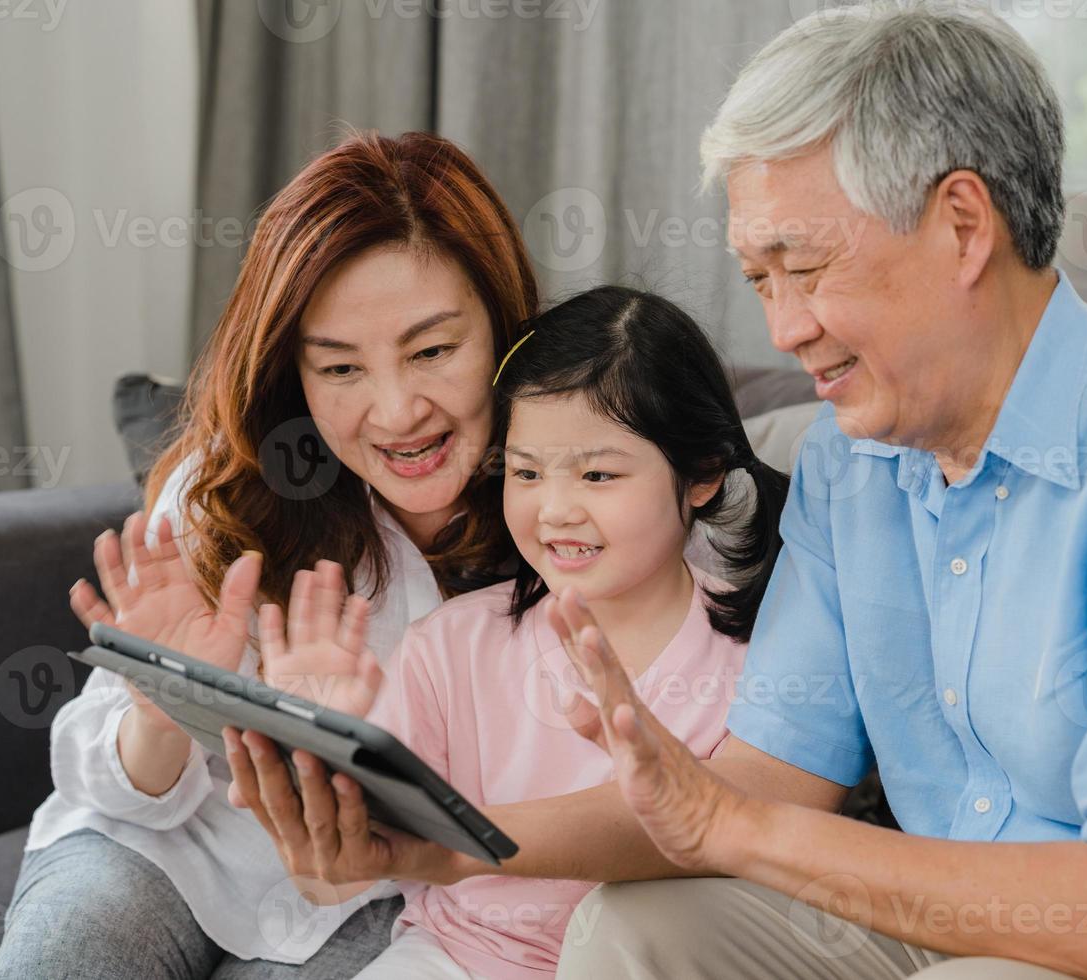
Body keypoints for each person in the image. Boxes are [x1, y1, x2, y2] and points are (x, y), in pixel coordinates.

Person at [225, 5, 1087, 979]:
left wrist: (733, 822)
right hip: (944, 931)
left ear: (963, 224)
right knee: (638, 925)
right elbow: (754, 788)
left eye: (805, 268)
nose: (784, 329)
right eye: (758, 279)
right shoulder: (852, 464)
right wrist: (440, 846)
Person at [0, 130, 540, 979]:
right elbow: (110, 785)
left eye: (432, 351)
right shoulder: (231, 483)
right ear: (295, 373)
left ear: (505, 329)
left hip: (382, 894)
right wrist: (162, 704)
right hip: (167, 849)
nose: (397, 413)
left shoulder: (578, 494)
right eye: (341, 369)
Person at [230, 285, 789, 979]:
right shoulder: (451, 647)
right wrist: (319, 754)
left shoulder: (764, 655)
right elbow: (334, 883)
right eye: (525, 472)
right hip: (452, 959)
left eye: (597, 473)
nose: (555, 510)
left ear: (702, 474)